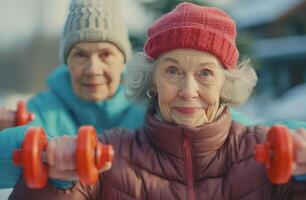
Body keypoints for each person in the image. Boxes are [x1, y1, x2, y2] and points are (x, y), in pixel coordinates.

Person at [9, 2, 306, 200]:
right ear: (152, 81)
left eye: (205, 73)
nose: (188, 91)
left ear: (226, 83)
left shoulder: (268, 155)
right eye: (172, 71)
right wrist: (55, 181)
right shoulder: (108, 154)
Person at [0, 0, 147, 188]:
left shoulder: (147, 112)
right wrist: (41, 149)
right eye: (80, 55)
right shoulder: (43, 109)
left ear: (123, 60)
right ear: (67, 62)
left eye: (106, 54)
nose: (93, 69)